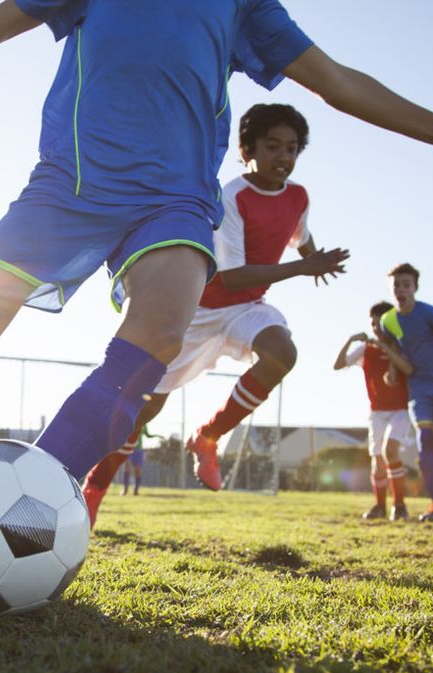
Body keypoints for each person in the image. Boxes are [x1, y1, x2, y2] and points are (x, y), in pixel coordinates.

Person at [0, 1, 433, 492]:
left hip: (176, 198)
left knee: (161, 334)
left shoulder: (245, 4)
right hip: (71, 186)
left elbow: (335, 81)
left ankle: (41, 484)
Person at [82, 103, 348, 524]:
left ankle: (208, 437)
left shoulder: (298, 197)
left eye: (292, 148)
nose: (283, 157)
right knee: (146, 409)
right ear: (248, 151)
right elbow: (237, 275)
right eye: (272, 146)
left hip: (245, 309)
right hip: (200, 308)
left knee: (283, 352)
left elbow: (301, 236)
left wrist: (317, 259)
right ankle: (95, 488)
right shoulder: (232, 196)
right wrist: (304, 267)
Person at [333, 301, 413, 521]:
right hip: (376, 411)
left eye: (380, 324)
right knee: (377, 460)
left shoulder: (401, 346)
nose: (376, 329)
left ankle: (399, 505)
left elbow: (409, 370)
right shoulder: (366, 349)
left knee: (391, 451)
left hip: (400, 410)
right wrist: (350, 340)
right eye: (373, 324)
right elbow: (338, 365)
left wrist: (388, 349)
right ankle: (380, 506)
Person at [381, 264, 433, 522]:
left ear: (415, 287)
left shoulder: (430, 313)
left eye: (406, 284)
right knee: (424, 441)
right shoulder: (388, 321)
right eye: (396, 285)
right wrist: (393, 369)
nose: (401, 289)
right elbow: (395, 348)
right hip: (418, 388)